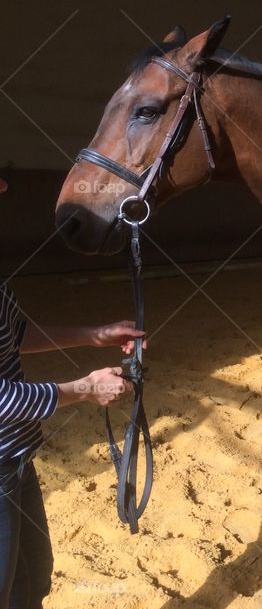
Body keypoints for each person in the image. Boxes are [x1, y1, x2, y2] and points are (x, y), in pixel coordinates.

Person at [0, 176, 142, 608]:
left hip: (16, 458)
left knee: (32, 584)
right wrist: (83, 390)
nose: (5, 188)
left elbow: (15, 333)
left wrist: (92, 334)